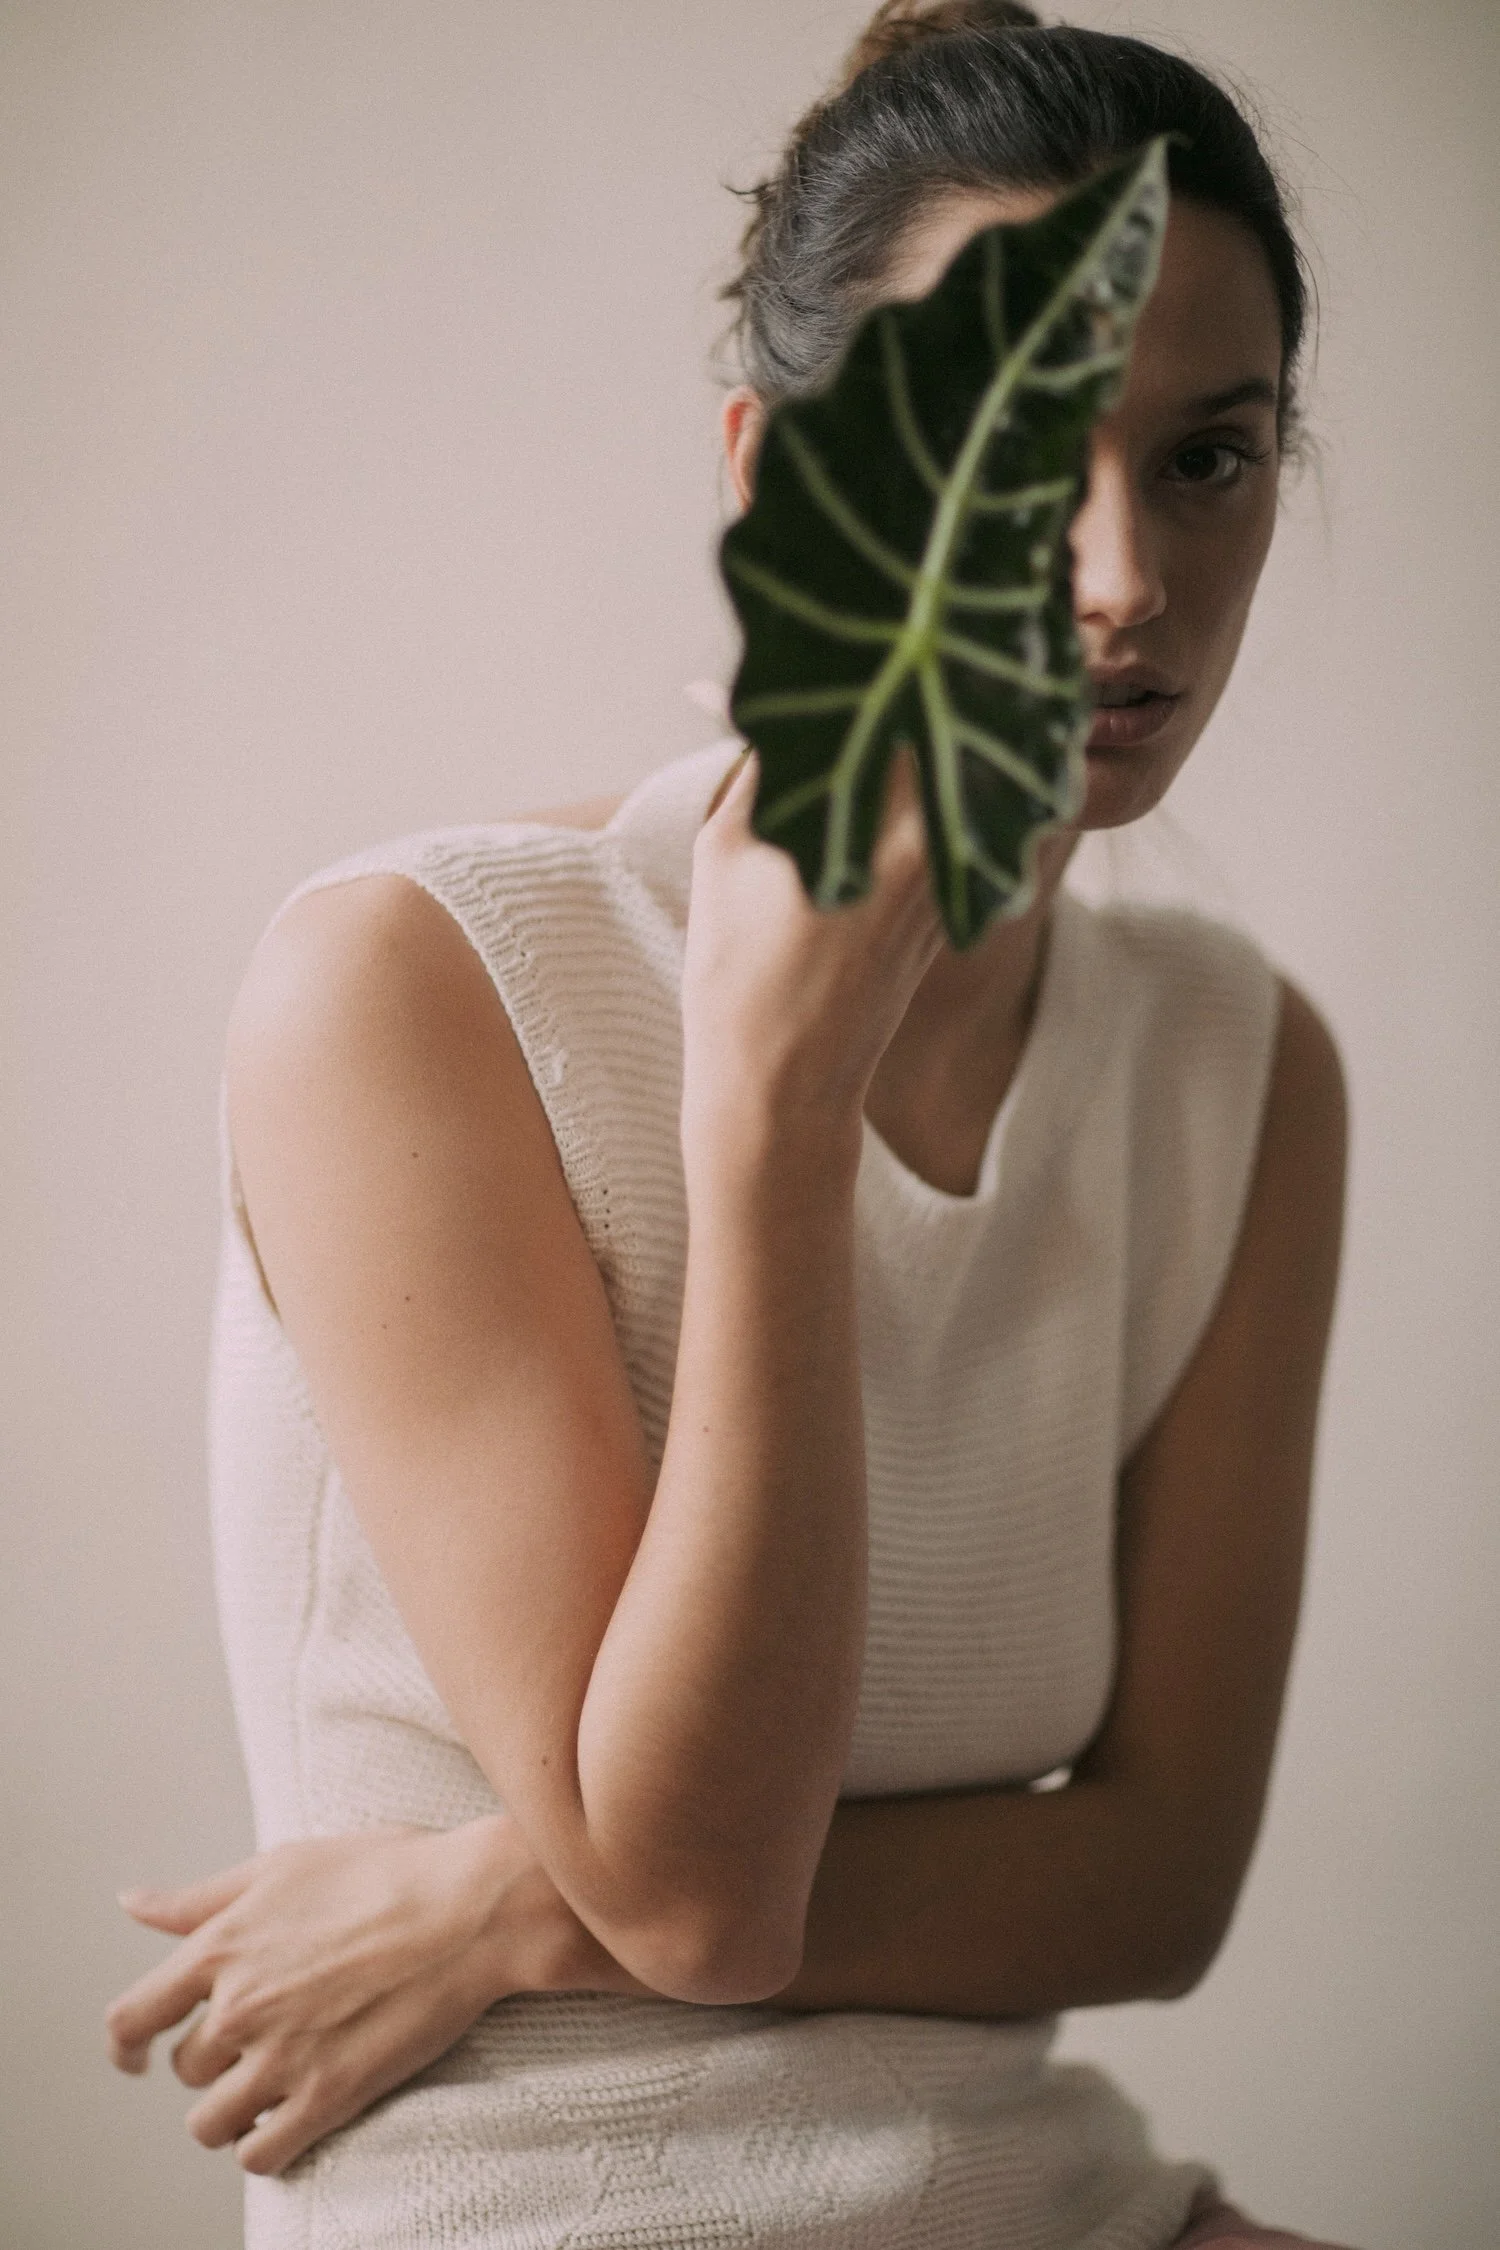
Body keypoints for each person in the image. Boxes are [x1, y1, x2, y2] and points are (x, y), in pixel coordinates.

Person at [106, 5, 1356, 2245]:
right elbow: (700, 1895)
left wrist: (505, 1900)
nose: (1124, 581)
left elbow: (1161, 1880)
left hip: (1039, 2187)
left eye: (1209, 457)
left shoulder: (1238, 1063)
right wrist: (772, 1106)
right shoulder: (410, 987)